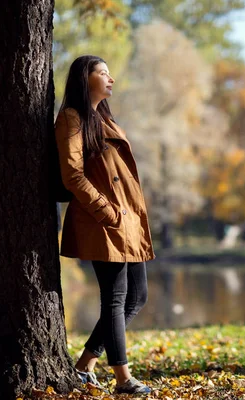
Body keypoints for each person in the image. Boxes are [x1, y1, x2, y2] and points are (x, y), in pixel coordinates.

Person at [55, 55, 155, 395]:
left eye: (111, 73)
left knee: (137, 297)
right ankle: (123, 379)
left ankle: (84, 365)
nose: (110, 79)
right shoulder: (72, 118)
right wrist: (106, 211)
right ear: (86, 78)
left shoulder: (104, 119)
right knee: (115, 299)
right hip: (103, 221)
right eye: (103, 73)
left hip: (127, 221)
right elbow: (72, 175)